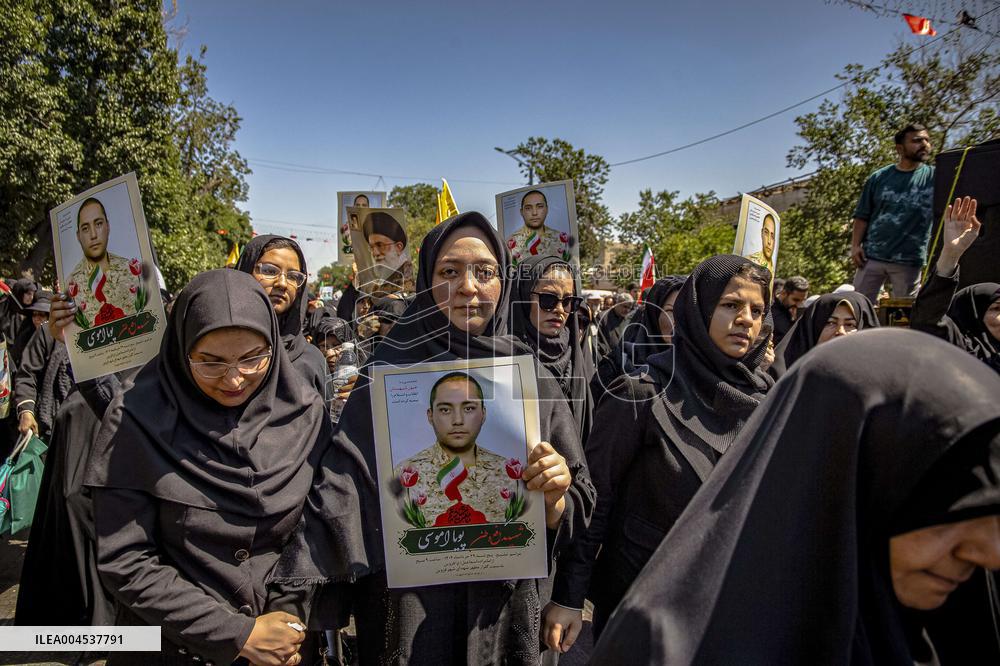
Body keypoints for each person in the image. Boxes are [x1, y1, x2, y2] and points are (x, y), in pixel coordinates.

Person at [271, 211, 595, 666]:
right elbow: (341, 492)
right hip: (406, 615)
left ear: (503, 282)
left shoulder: (530, 377)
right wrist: (288, 605)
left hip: (502, 616)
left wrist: (555, 499)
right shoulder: (386, 373)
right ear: (426, 280)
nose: (468, 287)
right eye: (449, 272)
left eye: (485, 272)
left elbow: (580, 498)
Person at [590, 330, 1000, 664]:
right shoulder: (667, 647)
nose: (990, 552)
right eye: (952, 512)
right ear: (839, 479)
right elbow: (599, 491)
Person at [84, 269, 330, 666]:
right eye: (210, 363)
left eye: (252, 358)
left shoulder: (305, 413)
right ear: (182, 350)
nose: (233, 379)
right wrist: (236, 635)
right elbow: (126, 560)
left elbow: (313, 529)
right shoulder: (136, 419)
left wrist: (286, 621)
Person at [544, 255, 773, 653]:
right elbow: (595, 502)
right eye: (731, 305)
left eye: (757, 310)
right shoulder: (642, 392)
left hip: (728, 605)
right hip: (643, 605)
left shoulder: (768, 401)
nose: (746, 320)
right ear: (699, 308)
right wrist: (569, 596)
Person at [394, 372, 510, 526]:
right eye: (445, 410)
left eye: (468, 408)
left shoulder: (508, 474)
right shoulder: (403, 475)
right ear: (430, 416)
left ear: (483, 414)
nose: (458, 420)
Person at [911, 196, 1000, 374]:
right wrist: (950, 254)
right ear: (973, 314)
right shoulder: (963, 351)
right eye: (997, 308)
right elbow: (928, 319)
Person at [511, 255, 595, 441]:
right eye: (548, 299)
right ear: (523, 296)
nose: (559, 309)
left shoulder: (576, 357)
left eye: (567, 301)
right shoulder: (503, 358)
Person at [851, 123, 935, 302]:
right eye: (917, 140)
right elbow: (862, 215)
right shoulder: (879, 177)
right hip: (872, 256)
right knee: (858, 305)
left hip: (909, 260)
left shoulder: (934, 177)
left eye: (927, 140)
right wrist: (855, 246)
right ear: (900, 148)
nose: (924, 144)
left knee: (905, 312)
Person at [236, 235, 328, 399]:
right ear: (246, 271)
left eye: (293, 276)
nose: (283, 284)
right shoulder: (214, 348)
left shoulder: (311, 360)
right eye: (270, 271)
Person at [591, 275, 685, 403]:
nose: (679, 319)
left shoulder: (702, 367)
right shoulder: (618, 364)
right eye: (671, 311)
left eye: (686, 311)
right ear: (653, 314)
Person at [768, 291, 879, 378]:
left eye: (849, 324)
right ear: (813, 329)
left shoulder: (878, 380)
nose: (840, 331)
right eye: (831, 323)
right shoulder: (784, 378)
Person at [67, 197, 142, 327]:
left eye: (98, 224)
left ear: (108, 226)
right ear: (78, 236)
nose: (93, 235)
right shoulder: (70, 284)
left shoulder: (130, 270)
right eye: (85, 228)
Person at [506, 190, 570, 267]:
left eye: (540, 207)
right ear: (521, 212)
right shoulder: (510, 242)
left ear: (547, 209)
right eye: (528, 208)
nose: (534, 213)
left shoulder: (560, 239)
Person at [357, 211, 414, 295]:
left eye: (380, 245)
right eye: (371, 247)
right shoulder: (377, 282)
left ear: (398, 247)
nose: (375, 253)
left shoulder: (411, 279)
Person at [770, 275, 809, 344]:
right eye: (796, 300)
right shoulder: (770, 310)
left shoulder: (797, 310)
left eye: (803, 300)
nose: (799, 305)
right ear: (784, 293)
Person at [595, 292, 634, 357]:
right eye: (625, 306)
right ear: (617, 303)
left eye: (629, 308)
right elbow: (598, 340)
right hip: (607, 357)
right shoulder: (603, 317)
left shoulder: (629, 319)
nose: (627, 310)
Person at [0, 277, 37, 345]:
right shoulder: (5, 307)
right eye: (28, 294)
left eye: (33, 294)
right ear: (20, 293)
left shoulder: (33, 310)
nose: (31, 297)